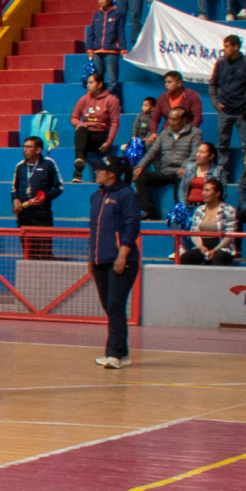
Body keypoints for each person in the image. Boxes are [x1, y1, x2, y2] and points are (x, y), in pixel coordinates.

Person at [88, 157, 141, 369]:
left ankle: (113, 355)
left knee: (115, 305)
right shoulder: (96, 196)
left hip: (121, 260)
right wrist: (91, 258)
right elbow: (94, 231)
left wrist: (122, 256)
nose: (95, 172)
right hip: (100, 260)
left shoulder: (126, 194)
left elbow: (132, 226)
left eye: (99, 169)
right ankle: (122, 353)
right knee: (110, 307)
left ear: (111, 173)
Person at [134, 105, 203, 219]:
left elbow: (195, 153)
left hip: (181, 171)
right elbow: (152, 152)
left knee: (183, 176)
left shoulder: (195, 133)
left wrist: (185, 166)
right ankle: (149, 211)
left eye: (174, 119)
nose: (171, 122)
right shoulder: (165, 133)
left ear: (184, 120)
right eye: (169, 119)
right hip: (165, 171)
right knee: (140, 176)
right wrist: (140, 166)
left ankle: (179, 212)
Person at [209, 33, 246, 166]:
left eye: (227, 46)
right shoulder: (220, 63)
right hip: (224, 111)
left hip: (243, 112)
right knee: (222, 145)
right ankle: (222, 173)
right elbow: (213, 84)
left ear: (236, 47)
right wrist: (215, 103)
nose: (224, 50)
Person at [11, 135, 61, 259]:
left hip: (42, 216)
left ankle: (47, 277)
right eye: (24, 146)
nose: (25, 150)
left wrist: (45, 198)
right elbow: (14, 189)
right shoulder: (20, 166)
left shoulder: (49, 164)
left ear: (38, 150)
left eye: (29, 147)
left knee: (45, 253)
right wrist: (15, 200)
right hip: (24, 215)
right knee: (28, 253)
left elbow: (59, 187)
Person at [69, 71, 121, 179]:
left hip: (101, 135)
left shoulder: (111, 100)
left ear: (100, 84)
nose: (88, 85)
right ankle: (79, 165)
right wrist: (79, 124)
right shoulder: (84, 99)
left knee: (83, 134)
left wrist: (109, 142)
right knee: (81, 129)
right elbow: (74, 118)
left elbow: (115, 122)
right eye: (87, 83)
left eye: (91, 83)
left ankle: (78, 170)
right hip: (86, 135)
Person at [177, 184, 238, 266]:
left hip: (222, 247)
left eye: (207, 190)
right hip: (202, 247)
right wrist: (200, 246)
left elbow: (230, 235)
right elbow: (194, 232)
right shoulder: (199, 210)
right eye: (203, 190)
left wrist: (215, 250)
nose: (203, 193)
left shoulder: (229, 210)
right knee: (186, 257)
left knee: (218, 257)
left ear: (217, 193)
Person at [84, 0, 126, 94]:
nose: (100, 1)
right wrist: (89, 48)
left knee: (112, 80)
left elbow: (120, 32)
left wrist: (123, 48)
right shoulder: (96, 15)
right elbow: (91, 33)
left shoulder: (117, 14)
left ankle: (108, 100)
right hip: (97, 52)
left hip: (111, 51)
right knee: (97, 80)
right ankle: (96, 102)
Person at [177, 140, 226, 214]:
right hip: (189, 206)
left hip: (207, 208)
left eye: (202, 152)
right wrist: (183, 205)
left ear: (211, 156)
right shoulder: (189, 167)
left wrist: (211, 205)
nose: (198, 155)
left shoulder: (218, 170)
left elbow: (223, 192)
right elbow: (182, 187)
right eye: (198, 152)